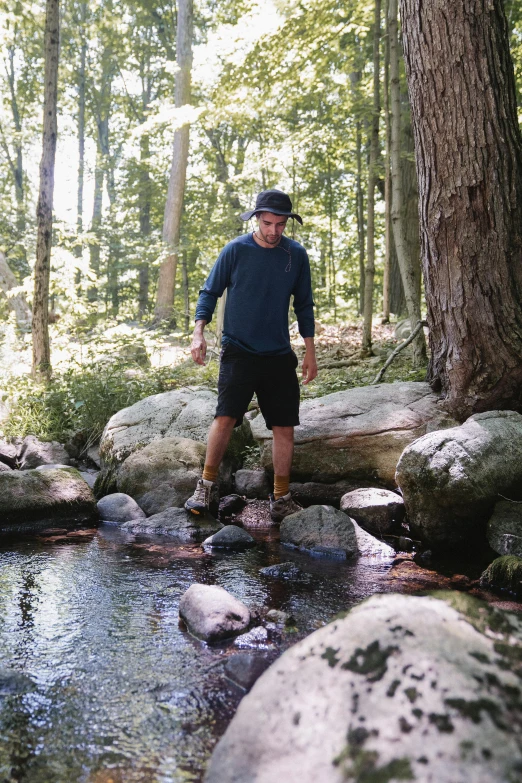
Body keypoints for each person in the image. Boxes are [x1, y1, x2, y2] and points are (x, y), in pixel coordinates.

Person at [184, 189, 317, 522]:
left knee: (284, 426)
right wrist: (198, 332)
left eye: (281, 224)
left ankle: (281, 498)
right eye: (268, 223)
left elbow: (304, 305)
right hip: (238, 351)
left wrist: (310, 352)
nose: (274, 231)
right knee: (226, 418)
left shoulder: (295, 255)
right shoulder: (236, 250)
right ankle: (205, 486)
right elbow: (209, 292)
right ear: (257, 218)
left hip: (277, 355)